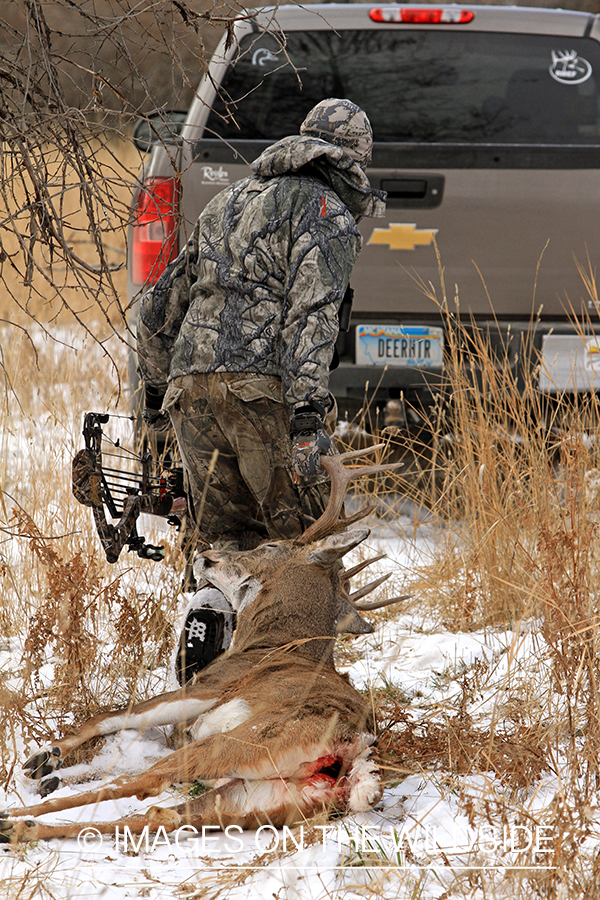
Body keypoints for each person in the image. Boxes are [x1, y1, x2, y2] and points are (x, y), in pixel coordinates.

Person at [136, 98, 386, 682]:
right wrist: (304, 421)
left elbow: (155, 312)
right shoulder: (326, 212)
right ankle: (289, 692)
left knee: (221, 550)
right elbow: (312, 319)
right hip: (263, 396)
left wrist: (154, 402)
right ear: (354, 161)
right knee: (302, 552)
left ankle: (201, 684)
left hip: (190, 393)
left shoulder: (227, 202)